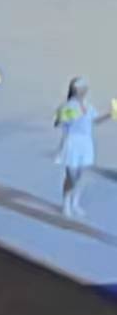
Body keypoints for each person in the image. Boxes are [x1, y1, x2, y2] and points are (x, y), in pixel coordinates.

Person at [54, 77, 109, 218]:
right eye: (82, 88)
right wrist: (62, 117)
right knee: (71, 175)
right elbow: (58, 123)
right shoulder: (68, 106)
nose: (85, 91)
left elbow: (95, 120)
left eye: (85, 88)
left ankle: (75, 203)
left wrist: (110, 115)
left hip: (85, 143)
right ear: (76, 90)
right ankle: (66, 203)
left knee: (81, 176)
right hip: (72, 142)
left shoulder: (88, 106)